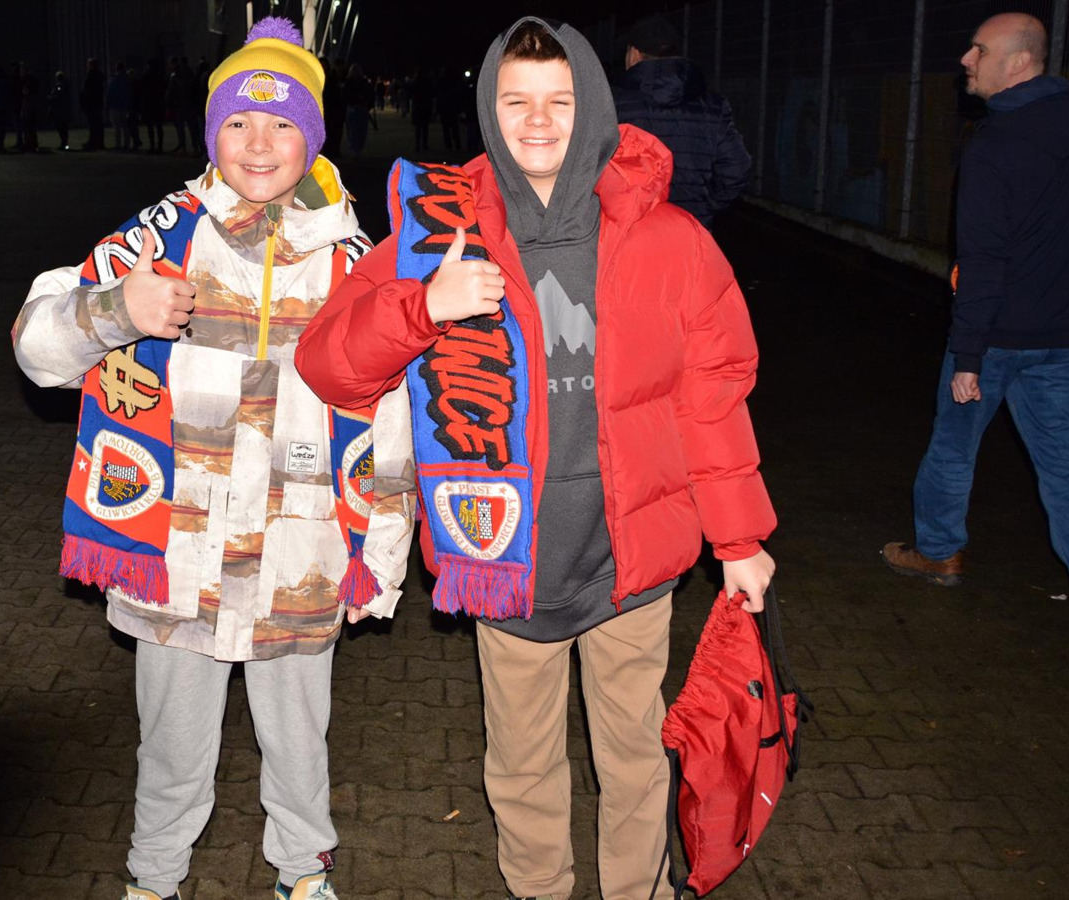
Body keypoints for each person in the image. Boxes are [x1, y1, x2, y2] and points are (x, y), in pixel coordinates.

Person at [295, 17, 776, 899]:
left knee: (636, 755)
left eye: (560, 100)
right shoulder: (438, 232)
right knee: (522, 763)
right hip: (505, 558)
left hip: (632, 557)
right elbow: (326, 363)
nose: (540, 120)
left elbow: (712, 399)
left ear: (594, 107)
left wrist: (739, 540)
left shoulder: (673, 239)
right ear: (489, 109)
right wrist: (423, 307)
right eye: (516, 101)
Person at [12, 18, 416, 900]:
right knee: (169, 744)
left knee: (301, 740)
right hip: (175, 557)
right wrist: (116, 310)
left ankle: (303, 871)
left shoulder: (356, 263)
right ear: (209, 132)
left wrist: (382, 558)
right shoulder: (159, 237)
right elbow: (35, 348)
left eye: (281, 124)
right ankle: (154, 877)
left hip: (300, 558)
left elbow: (392, 421)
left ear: (313, 137)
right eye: (237, 122)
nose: (258, 144)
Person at [881, 12, 1069, 650]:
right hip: (1066, 337)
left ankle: (938, 553)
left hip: (996, 337)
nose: (966, 60)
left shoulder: (996, 145)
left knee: (954, 447)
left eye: (979, 50)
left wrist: (969, 353)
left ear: (1017, 61)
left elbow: (984, 260)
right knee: (1063, 465)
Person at [611, 13, 751, 228]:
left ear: (635, 54)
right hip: (691, 229)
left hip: (630, 230)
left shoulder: (612, 103)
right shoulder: (714, 105)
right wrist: (705, 206)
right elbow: (737, 168)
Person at [80, 57, 105, 150]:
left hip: (91, 103)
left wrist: (84, 99)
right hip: (96, 103)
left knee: (93, 124)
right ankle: (99, 142)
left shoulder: (92, 76)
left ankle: (93, 142)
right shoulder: (98, 76)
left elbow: (89, 90)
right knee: (97, 123)